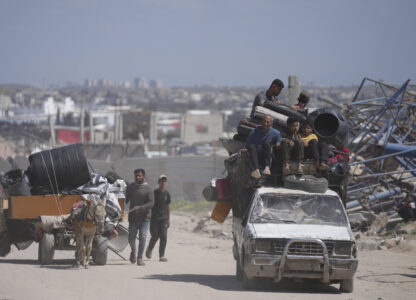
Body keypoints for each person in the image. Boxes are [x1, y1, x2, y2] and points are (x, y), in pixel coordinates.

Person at [126, 168, 154, 266]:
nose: (137, 177)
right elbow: (126, 199)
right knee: (131, 238)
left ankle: (140, 258)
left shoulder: (149, 189)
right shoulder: (131, 187)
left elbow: (151, 203)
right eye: (136, 176)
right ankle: (133, 251)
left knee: (142, 237)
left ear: (144, 176)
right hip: (133, 218)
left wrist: (141, 207)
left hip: (145, 218)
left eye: (139, 176)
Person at [145, 175, 171, 262]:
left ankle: (161, 255)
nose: (163, 182)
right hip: (154, 219)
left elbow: (168, 207)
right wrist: (147, 216)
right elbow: (150, 205)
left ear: (166, 183)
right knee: (155, 236)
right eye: (161, 181)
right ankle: (149, 249)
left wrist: (168, 219)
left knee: (164, 237)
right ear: (158, 182)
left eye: (164, 181)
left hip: (164, 219)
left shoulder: (167, 194)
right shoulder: (154, 193)